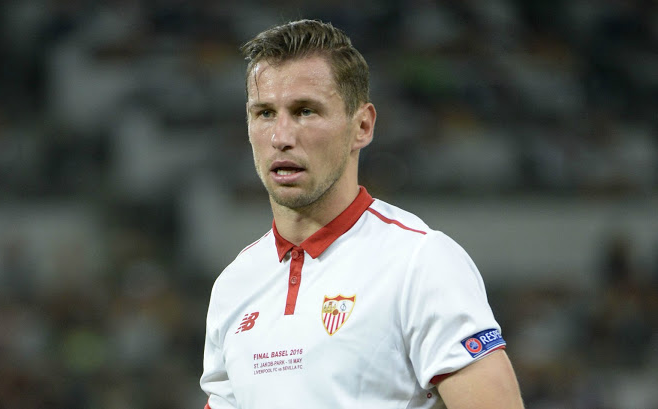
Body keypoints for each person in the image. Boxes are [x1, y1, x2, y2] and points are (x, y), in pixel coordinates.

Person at [200, 19, 524, 409]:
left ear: (362, 126)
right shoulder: (233, 284)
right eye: (265, 113)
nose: (281, 137)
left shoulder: (419, 262)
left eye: (305, 111)